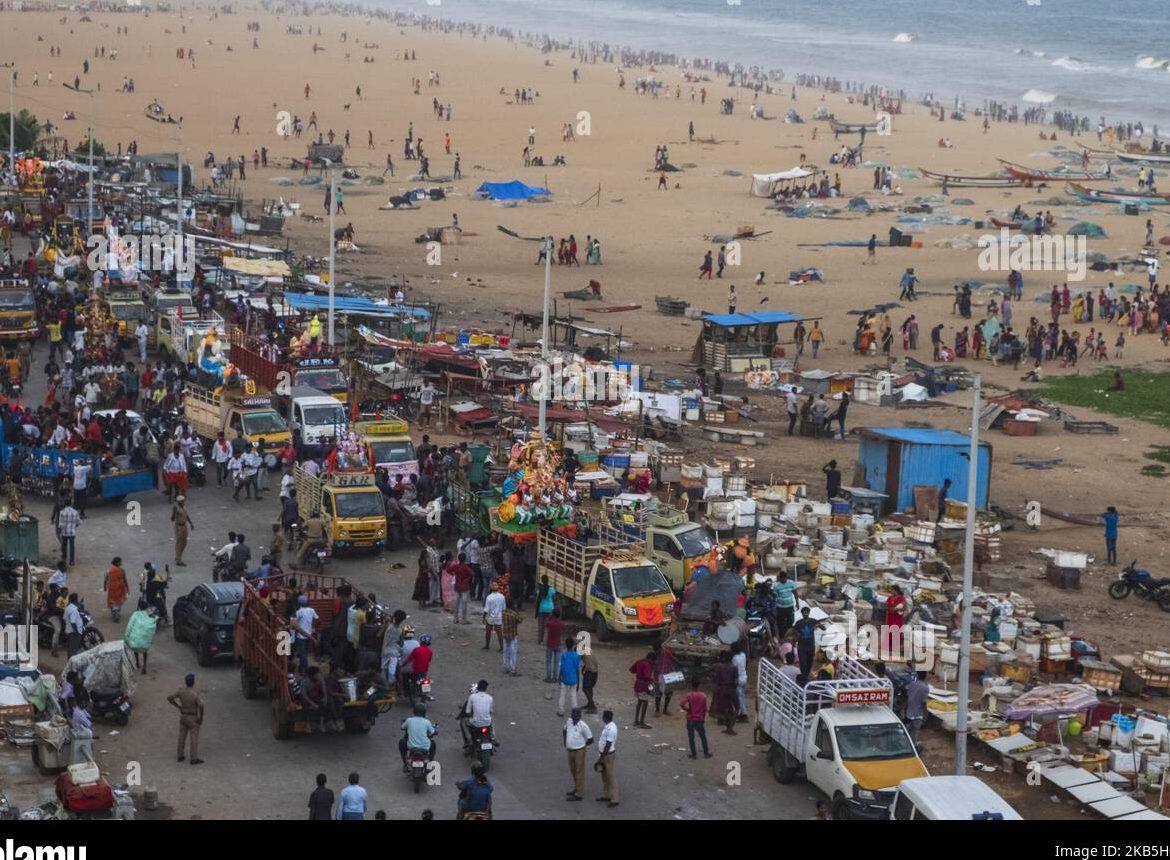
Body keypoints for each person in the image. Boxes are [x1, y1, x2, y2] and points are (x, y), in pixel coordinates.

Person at [167, 673, 204, 765]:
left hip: (183, 716)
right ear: (193, 682)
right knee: (194, 738)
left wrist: (178, 706)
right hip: (193, 717)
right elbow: (201, 705)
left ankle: (180, 755)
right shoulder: (195, 694)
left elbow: (169, 698)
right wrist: (201, 717)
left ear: (185, 682)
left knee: (181, 736)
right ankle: (193, 758)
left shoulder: (181, 692)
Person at [563, 707, 594, 801]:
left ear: (580, 716)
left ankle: (579, 794)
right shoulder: (569, 722)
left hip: (579, 751)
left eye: (577, 715)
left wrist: (583, 747)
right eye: (573, 715)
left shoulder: (583, 726)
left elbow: (591, 739)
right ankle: (577, 787)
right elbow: (564, 730)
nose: (575, 717)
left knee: (579, 771)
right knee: (573, 770)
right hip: (570, 750)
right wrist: (565, 742)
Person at [399, 703, 438, 771]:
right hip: (425, 747)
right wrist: (435, 731)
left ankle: (405, 764)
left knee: (401, 742)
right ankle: (430, 763)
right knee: (433, 744)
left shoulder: (409, 720)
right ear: (424, 712)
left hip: (411, 747)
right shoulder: (427, 722)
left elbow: (402, 727)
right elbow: (433, 732)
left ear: (414, 711)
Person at [680, 677, 712, 759]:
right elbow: (705, 709)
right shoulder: (703, 696)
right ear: (699, 685)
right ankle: (706, 752)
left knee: (691, 738)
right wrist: (703, 718)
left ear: (692, 685)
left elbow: (682, 704)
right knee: (703, 737)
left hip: (690, 718)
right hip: (699, 719)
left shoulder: (689, 695)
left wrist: (688, 710)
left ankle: (694, 754)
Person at [125, 599, 159, 674]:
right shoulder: (150, 615)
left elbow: (130, 626)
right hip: (145, 644)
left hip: (135, 643)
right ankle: (144, 666)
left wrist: (126, 637)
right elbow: (153, 626)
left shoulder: (136, 614)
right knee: (145, 651)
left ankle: (137, 663)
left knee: (135, 649)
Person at [596, 710, 619, 808]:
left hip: (607, 755)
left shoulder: (611, 729)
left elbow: (608, 744)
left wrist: (601, 757)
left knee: (610, 777)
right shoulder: (610, 726)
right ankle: (607, 795)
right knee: (604, 776)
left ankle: (614, 799)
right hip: (605, 754)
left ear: (604, 718)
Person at [793, 606, 824, 677]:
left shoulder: (813, 621)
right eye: (804, 613)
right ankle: (803, 676)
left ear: (809, 613)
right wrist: (794, 643)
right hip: (801, 647)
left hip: (811, 647)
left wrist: (818, 624)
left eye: (807, 613)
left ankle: (806, 676)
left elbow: (824, 628)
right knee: (803, 663)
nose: (805, 614)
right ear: (802, 614)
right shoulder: (798, 623)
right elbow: (795, 633)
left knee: (809, 663)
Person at [903, 670, 929, 750]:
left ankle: (905, 747)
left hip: (909, 713)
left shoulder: (912, 684)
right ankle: (913, 749)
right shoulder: (925, 688)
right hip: (918, 715)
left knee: (907, 733)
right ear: (925, 676)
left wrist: (905, 709)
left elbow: (907, 698)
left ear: (917, 675)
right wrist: (925, 714)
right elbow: (923, 703)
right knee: (914, 733)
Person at [629, 650, 655, 728]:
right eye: (653, 661)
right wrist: (653, 682)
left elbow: (631, 670)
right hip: (643, 686)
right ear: (650, 658)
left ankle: (636, 720)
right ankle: (642, 722)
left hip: (637, 684)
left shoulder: (639, 661)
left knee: (639, 702)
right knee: (645, 703)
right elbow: (647, 677)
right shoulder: (647, 664)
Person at [559, 636, 582, 715]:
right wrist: (578, 682)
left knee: (562, 694)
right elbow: (577, 670)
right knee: (573, 695)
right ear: (573, 646)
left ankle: (561, 710)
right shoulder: (577, 656)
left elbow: (561, 668)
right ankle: (575, 712)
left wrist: (559, 677)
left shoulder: (563, 655)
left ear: (566, 645)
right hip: (573, 678)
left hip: (565, 678)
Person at [103, 557, 129, 622]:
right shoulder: (122, 570)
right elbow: (125, 580)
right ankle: (116, 615)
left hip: (112, 590)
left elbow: (105, 579)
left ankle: (114, 614)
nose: (121, 563)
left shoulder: (109, 570)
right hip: (119, 590)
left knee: (113, 602)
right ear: (117, 562)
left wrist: (105, 587)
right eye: (120, 562)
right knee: (118, 603)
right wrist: (127, 588)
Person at [501, 598, 522, 675]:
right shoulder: (514, 614)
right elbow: (520, 620)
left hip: (505, 633)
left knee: (506, 651)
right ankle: (512, 669)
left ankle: (506, 667)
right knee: (513, 652)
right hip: (513, 634)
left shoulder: (503, 612)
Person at [56, 500, 80, 566]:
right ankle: (72, 561)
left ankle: (64, 558)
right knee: (72, 546)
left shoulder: (62, 512)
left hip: (64, 532)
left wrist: (59, 531)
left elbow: (60, 524)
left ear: (64, 503)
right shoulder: (75, 512)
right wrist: (74, 526)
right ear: (71, 503)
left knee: (64, 546)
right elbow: (78, 522)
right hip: (72, 532)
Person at [483, 582, 506, 651]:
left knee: (488, 631)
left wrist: (483, 617)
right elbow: (504, 608)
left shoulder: (489, 597)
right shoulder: (502, 596)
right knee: (499, 632)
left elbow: (486, 609)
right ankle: (502, 647)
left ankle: (487, 645)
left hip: (491, 616)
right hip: (499, 616)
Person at [171, 495, 193, 566]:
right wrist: (174, 512)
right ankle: (178, 560)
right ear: (179, 502)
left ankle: (178, 556)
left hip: (184, 526)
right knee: (179, 543)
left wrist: (191, 523)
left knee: (184, 542)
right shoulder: (176, 509)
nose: (183, 502)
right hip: (179, 527)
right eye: (182, 501)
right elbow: (172, 519)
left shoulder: (184, 507)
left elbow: (186, 515)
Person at [544, 609, 565, 683]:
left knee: (549, 661)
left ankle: (548, 677)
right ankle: (555, 678)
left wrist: (550, 618)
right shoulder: (561, 623)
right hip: (558, 644)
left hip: (550, 643)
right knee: (557, 662)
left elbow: (546, 624)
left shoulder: (550, 623)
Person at [63, 593, 85, 657]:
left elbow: (64, 618)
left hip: (69, 632)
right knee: (74, 652)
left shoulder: (68, 608)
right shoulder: (73, 609)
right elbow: (73, 622)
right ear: (75, 600)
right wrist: (76, 632)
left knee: (70, 650)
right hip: (73, 633)